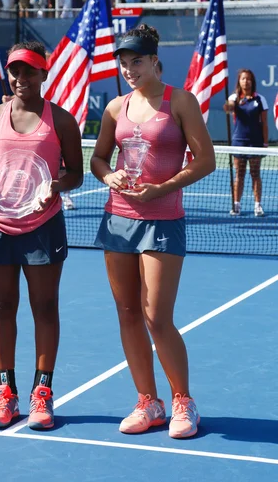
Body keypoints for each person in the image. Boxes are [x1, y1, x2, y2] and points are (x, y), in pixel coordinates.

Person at [90, 24, 215, 439]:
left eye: (137, 61)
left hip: (163, 220)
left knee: (157, 317)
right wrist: (108, 178)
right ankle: (148, 401)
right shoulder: (115, 109)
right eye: (124, 64)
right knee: (128, 314)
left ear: (154, 61)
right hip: (117, 221)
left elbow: (205, 160)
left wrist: (161, 188)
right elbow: (99, 160)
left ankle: (183, 401)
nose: (129, 69)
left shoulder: (181, 101)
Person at [0, 41, 83, 431]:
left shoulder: (63, 121)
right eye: (15, 71)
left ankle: (42, 394)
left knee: (45, 307)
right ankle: (5, 394)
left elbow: (76, 173)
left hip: (44, 226)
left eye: (30, 71)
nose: (21, 78)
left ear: (44, 75)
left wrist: (55, 186)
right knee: (2, 307)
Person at [223, 69, 268, 217]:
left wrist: (265, 143)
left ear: (252, 81)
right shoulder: (234, 98)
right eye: (243, 79)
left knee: (255, 174)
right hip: (239, 142)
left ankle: (258, 206)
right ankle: (236, 205)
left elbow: (264, 123)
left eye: (248, 79)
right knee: (239, 174)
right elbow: (228, 109)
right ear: (239, 81)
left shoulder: (260, 99)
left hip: (255, 143)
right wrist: (230, 105)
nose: (245, 81)